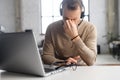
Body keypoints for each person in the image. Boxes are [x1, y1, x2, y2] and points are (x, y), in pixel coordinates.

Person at [42, 0, 97, 66]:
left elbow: (91, 61)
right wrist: (64, 62)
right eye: (66, 19)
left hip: (82, 68)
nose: (69, 23)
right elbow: (46, 56)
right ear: (61, 12)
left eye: (74, 19)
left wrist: (75, 37)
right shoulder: (51, 28)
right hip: (60, 68)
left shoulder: (90, 28)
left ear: (81, 13)